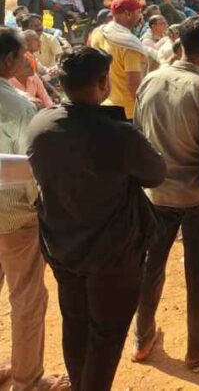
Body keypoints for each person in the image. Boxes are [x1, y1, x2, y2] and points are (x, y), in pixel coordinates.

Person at [27, 47, 166, 391]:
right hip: (113, 255)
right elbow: (155, 173)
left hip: (62, 247)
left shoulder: (41, 124)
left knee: (75, 324)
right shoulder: (118, 134)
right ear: (104, 82)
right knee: (106, 334)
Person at [133, 17, 199, 367]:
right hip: (197, 197)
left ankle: (142, 338)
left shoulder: (151, 80)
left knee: (151, 266)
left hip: (155, 194)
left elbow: (138, 135)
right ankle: (198, 344)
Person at [0, 28, 70, 391]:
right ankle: (27, 380)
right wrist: (40, 205)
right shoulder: (18, 106)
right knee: (27, 297)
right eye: (23, 54)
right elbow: (33, 168)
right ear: (10, 60)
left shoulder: (19, 100)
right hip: (14, 215)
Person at [89, 0, 149, 119]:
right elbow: (134, 85)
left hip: (103, 104)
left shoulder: (97, 33)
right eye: (138, 12)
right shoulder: (128, 44)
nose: (140, 16)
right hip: (127, 111)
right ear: (128, 14)